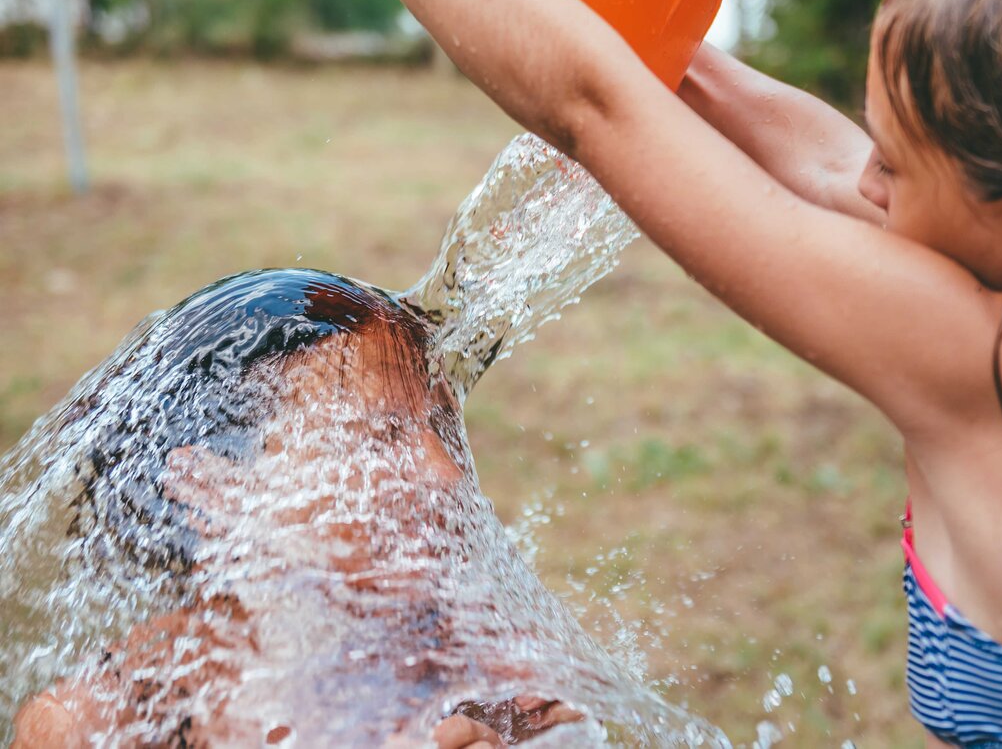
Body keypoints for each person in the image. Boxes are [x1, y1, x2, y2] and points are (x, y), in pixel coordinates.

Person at [176, 0, 1002, 747]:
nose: (864, 183)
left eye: (897, 161)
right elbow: (738, 113)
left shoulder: (998, 376)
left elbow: (597, 102)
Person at [8, 269, 582, 747]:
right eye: (372, 438)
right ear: (208, 489)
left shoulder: (483, 676)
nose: (445, 471)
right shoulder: (101, 722)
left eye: (437, 426)